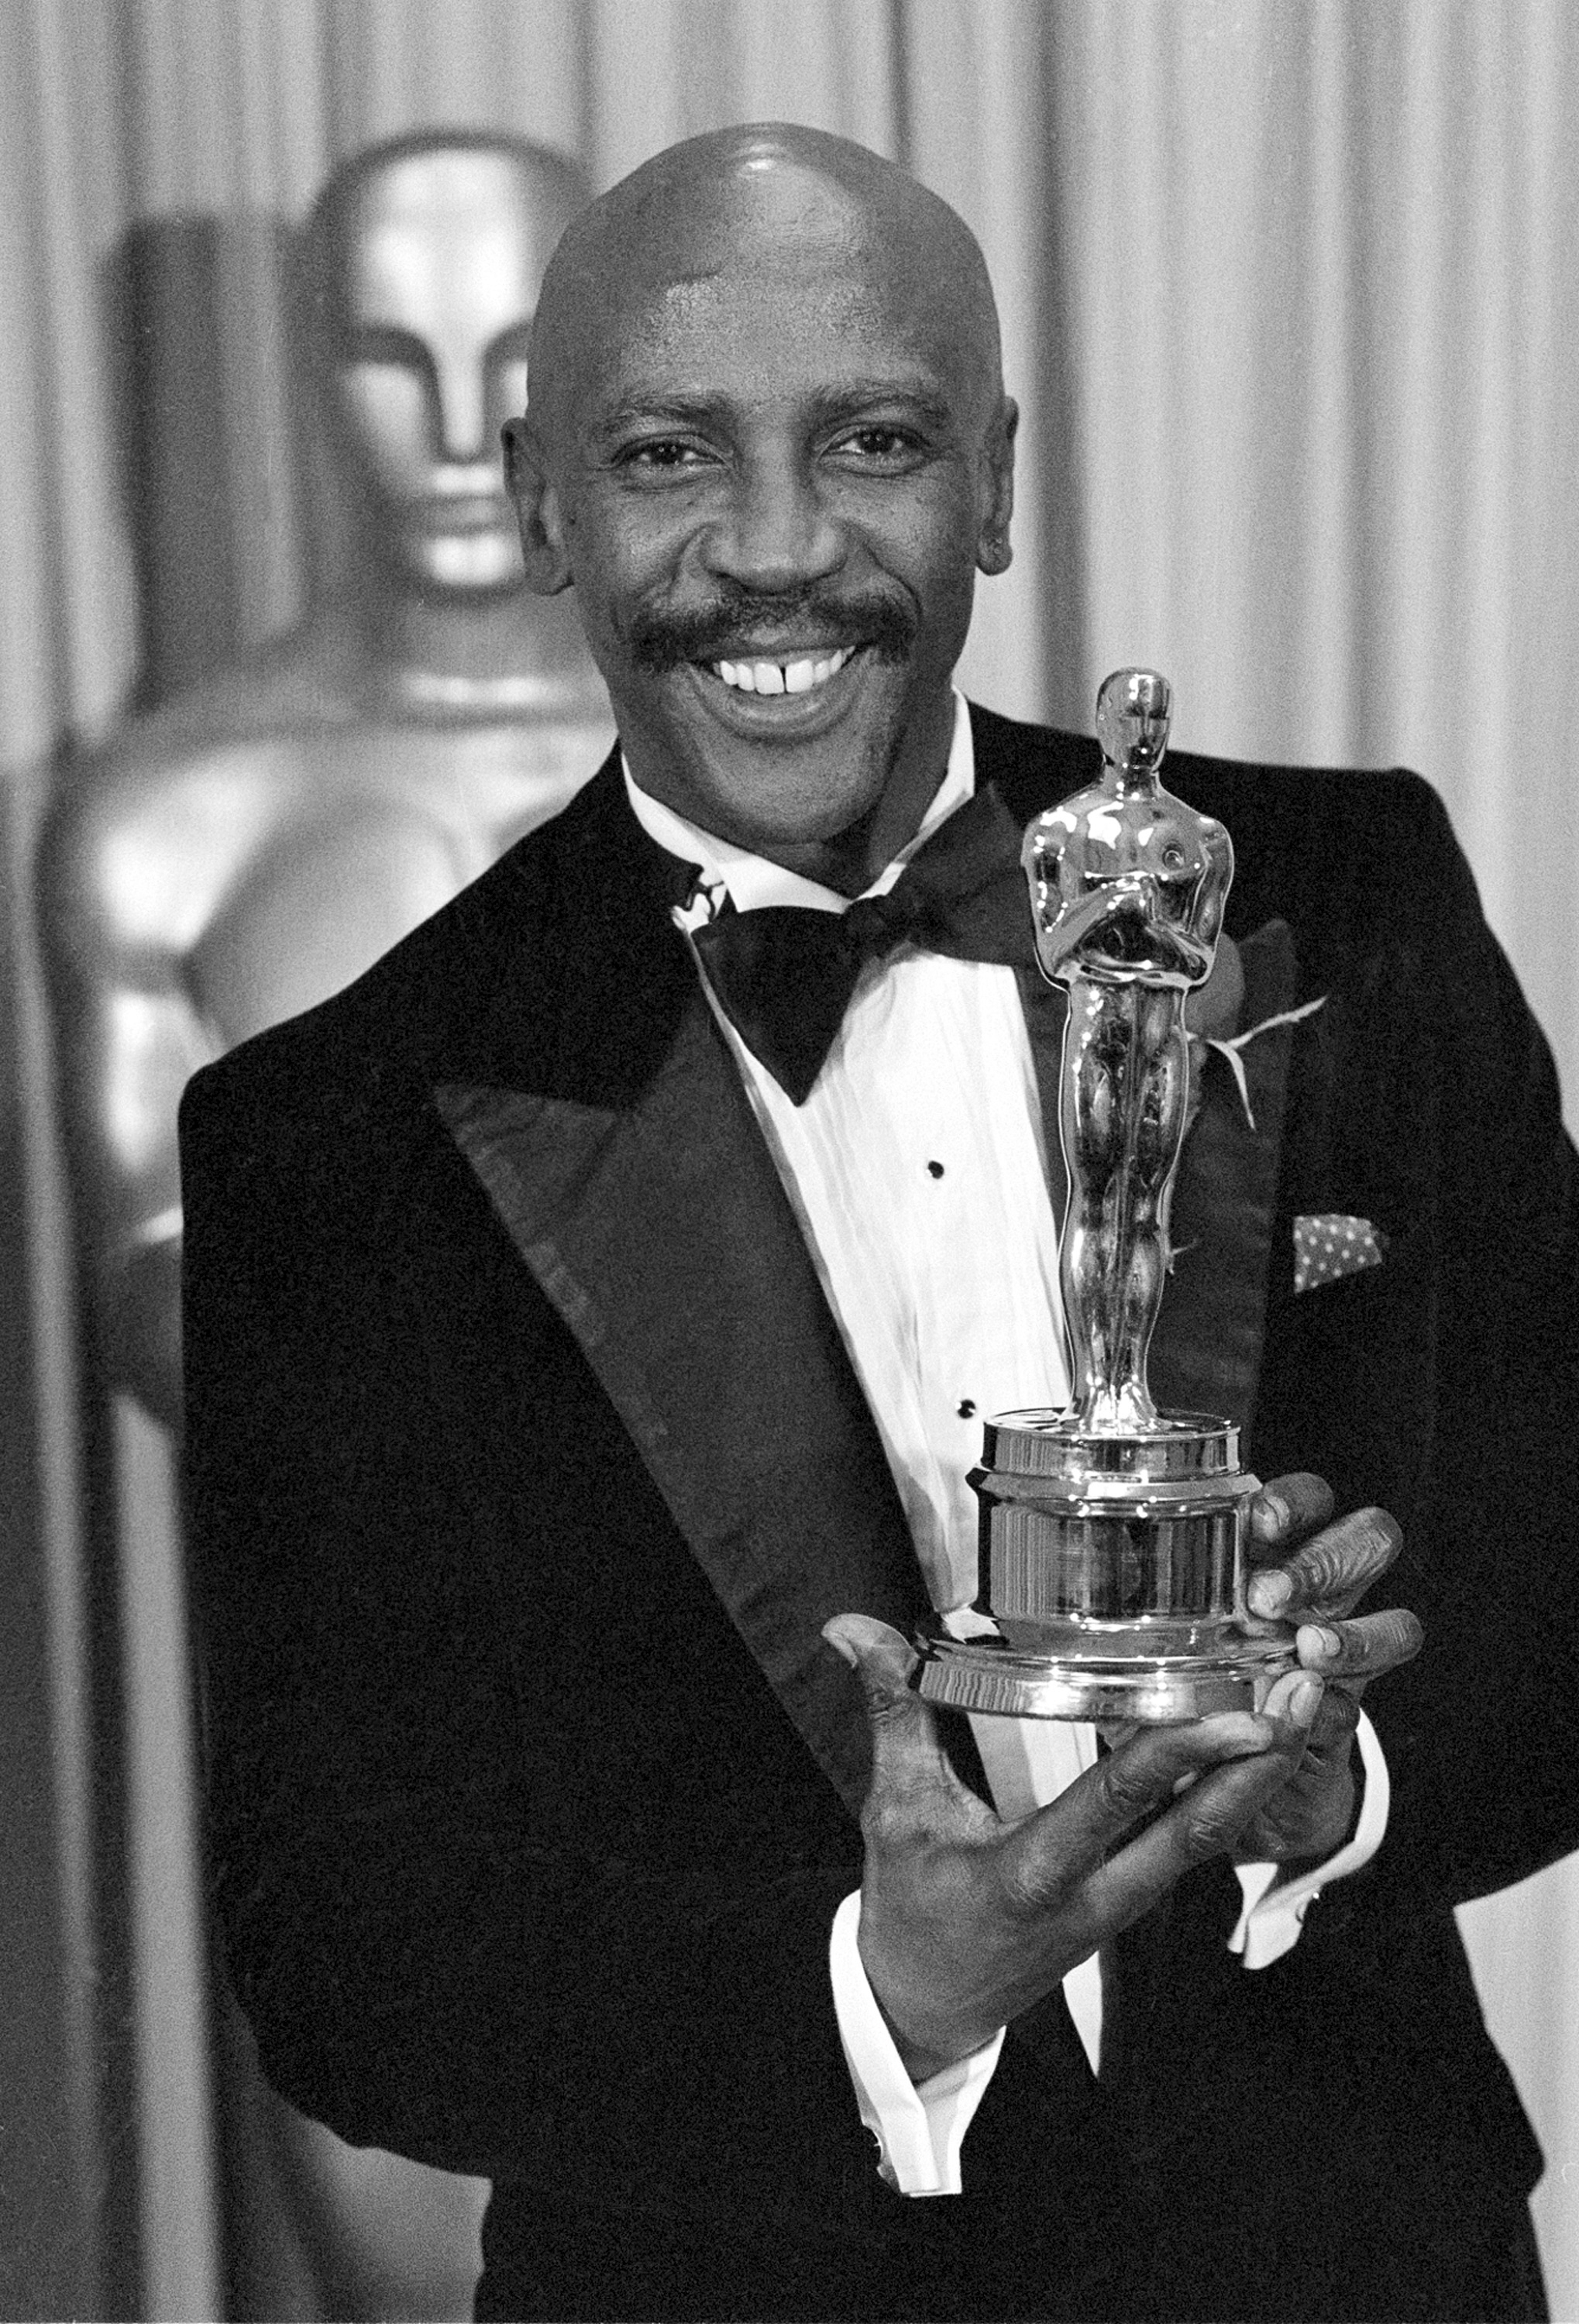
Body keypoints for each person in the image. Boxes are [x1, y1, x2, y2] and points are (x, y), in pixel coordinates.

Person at [178, 123, 1579, 2322]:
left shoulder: (1348, 899)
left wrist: (1341, 1792)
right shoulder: (328, 1137)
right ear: (552, 503)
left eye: (875, 439)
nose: (774, 549)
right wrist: (869, 1989)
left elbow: (1564, 1574)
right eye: (665, 452)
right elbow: (346, 1941)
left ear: (997, 483)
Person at [45, 130, 612, 2320]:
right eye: (388, 349)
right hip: (388, 1713)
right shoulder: (173, 817)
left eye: (513, 348)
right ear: (307, 368)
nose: (461, 418)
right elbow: (136, 1280)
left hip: (781, 1704)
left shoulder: (788, 760)